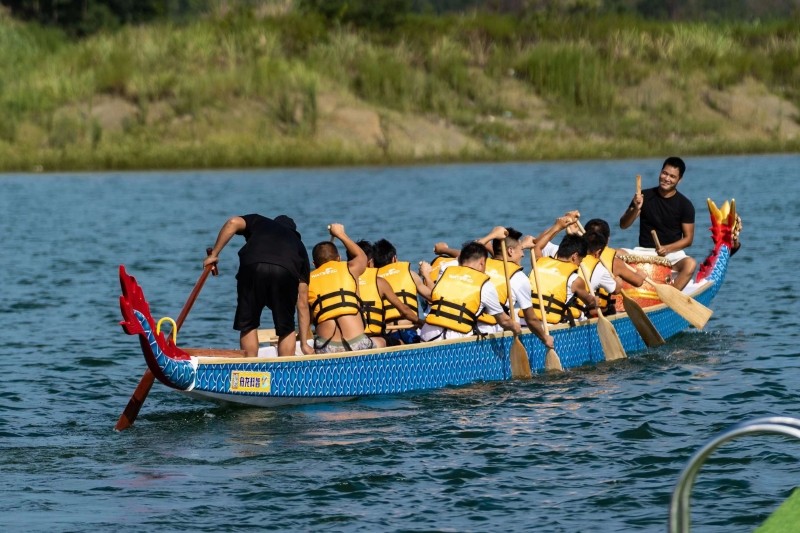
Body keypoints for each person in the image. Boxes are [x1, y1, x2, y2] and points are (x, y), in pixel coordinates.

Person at [203, 214, 313, 357]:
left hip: (252, 268)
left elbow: (233, 222)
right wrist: (304, 344)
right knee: (286, 328)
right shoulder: (300, 247)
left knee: (248, 324)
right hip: (285, 273)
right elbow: (303, 302)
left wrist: (215, 254)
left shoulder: (259, 221)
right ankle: (284, 372)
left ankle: (250, 369)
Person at [619, 156, 697, 290]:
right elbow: (623, 225)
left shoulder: (685, 205)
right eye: (665, 173)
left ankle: (670, 297)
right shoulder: (643, 196)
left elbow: (688, 240)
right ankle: (616, 294)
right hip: (643, 252)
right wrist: (636, 208)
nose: (667, 178)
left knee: (690, 264)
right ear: (660, 172)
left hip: (671, 255)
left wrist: (667, 248)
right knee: (612, 254)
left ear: (679, 180)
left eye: (672, 176)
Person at [420, 241, 521, 341]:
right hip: (453, 340)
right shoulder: (485, 285)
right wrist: (515, 328)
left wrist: (425, 275)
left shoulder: (447, 272)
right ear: (482, 262)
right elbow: (503, 320)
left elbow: (433, 295)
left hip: (427, 335)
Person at [308, 224, 375, 353]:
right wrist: (340, 234)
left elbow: (309, 318)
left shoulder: (308, 280)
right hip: (357, 343)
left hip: (326, 346)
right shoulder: (350, 269)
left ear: (315, 265)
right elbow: (362, 257)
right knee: (382, 341)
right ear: (338, 259)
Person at [347, 240, 423, 348]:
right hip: (401, 333)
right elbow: (405, 310)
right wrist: (421, 322)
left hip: (358, 338)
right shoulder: (378, 281)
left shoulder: (346, 283)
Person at [490, 228, 554, 349]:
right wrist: (545, 338)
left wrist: (521, 245)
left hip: (470, 327)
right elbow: (531, 320)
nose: (523, 254)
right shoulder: (518, 277)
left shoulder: (481, 265)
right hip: (495, 329)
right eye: (521, 250)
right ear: (510, 251)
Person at [373, 238, 432, 344]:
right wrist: (426, 275)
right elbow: (433, 297)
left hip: (387, 334)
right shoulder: (410, 274)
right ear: (394, 259)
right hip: (409, 330)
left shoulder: (373, 280)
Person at [532, 233, 596, 325]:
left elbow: (537, 247)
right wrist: (595, 301)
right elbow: (590, 302)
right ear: (574, 256)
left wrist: (558, 226)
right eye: (580, 260)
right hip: (553, 328)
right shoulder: (575, 280)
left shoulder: (538, 263)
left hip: (529, 322)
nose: (579, 264)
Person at [584, 218, 647, 289]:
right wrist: (640, 276)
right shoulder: (615, 263)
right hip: (599, 300)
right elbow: (638, 282)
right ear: (607, 240)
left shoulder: (576, 257)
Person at [581, 231, 621, 315]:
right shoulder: (599, 269)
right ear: (598, 252)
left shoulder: (571, 259)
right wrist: (618, 282)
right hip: (580, 316)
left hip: (562, 314)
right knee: (609, 307)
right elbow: (616, 290)